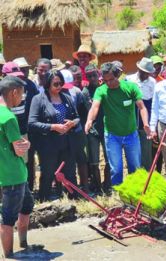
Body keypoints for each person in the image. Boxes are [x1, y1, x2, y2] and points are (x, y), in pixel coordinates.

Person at [85, 62, 150, 185]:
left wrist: (145, 123)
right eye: (105, 80)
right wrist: (89, 120)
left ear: (118, 75)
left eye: (111, 79)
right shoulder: (101, 90)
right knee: (116, 169)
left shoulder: (130, 88)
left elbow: (141, 107)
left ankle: (134, 193)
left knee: (135, 167)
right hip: (112, 136)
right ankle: (118, 195)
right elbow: (94, 107)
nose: (108, 83)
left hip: (131, 135)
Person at [28, 70, 79, 201]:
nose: (59, 87)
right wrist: (53, 127)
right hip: (48, 144)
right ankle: (44, 200)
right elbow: (32, 123)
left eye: (61, 83)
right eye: (55, 84)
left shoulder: (66, 97)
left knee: (69, 173)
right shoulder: (38, 99)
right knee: (48, 173)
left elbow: (77, 117)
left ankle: (72, 199)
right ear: (47, 84)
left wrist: (72, 123)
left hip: (66, 142)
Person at [0, 76, 34, 258]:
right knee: (7, 218)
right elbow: (19, 149)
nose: (22, 99)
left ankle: (23, 243)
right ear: (14, 92)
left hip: (6, 173)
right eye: (22, 94)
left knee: (27, 205)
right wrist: (25, 145)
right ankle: (9, 255)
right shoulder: (8, 117)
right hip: (13, 175)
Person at [11, 58, 39, 190]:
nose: (24, 72)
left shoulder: (31, 85)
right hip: (16, 129)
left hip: (29, 128)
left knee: (29, 160)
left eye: (26, 69)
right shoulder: (12, 88)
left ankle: (30, 187)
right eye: (21, 69)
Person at [82, 64, 111, 194]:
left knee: (108, 158)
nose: (92, 78)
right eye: (89, 76)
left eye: (94, 75)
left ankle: (107, 185)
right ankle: (98, 187)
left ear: (98, 73)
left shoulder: (105, 88)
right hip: (93, 130)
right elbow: (90, 110)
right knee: (94, 161)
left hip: (106, 128)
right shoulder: (85, 92)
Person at [61, 69, 89, 193]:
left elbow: (83, 114)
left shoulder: (76, 92)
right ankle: (70, 189)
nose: (66, 89)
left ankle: (85, 188)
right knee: (66, 162)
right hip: (60, 134)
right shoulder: (52, 93)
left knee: (81, 159)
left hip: (77, 133)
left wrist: (75, 124)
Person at [126, 57, 156, 171]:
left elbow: (154, 104)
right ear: (139, 69)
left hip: (145, 123)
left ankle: (146, 179)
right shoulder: (129, 80)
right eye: (143, 72)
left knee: (146, 153)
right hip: (131, 123)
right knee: (132, 152)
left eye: (148, 73)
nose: (145, 75)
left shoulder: (153, 82)